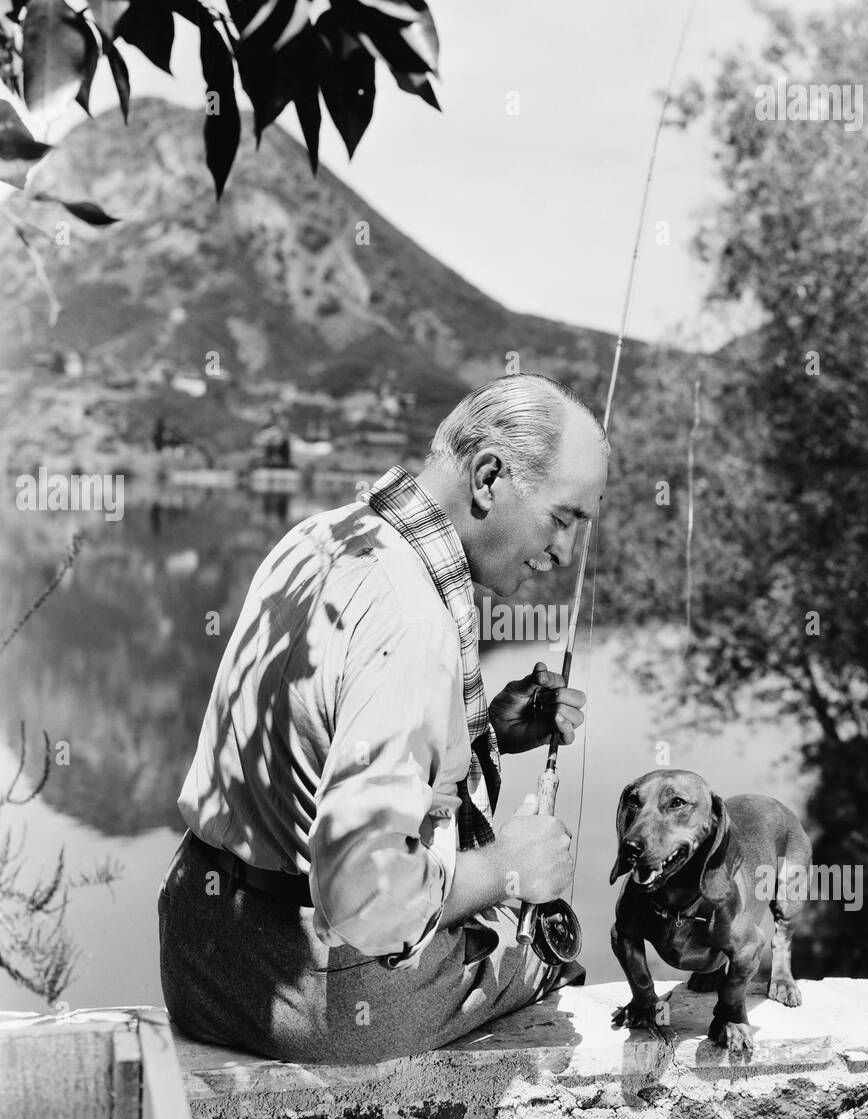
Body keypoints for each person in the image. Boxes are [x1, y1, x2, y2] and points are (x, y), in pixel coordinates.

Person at [159, 374, 609, 1063]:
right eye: (564, 518)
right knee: (546, 960)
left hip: (198, 958)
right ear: (488, 477)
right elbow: (363, 899)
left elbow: (323, 734)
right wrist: (505, 871)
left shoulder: (321, 536)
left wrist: (485, 729)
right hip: (317, 997)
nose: (564, 554)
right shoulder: (414, 619)